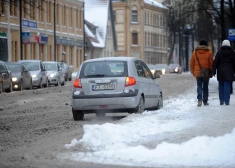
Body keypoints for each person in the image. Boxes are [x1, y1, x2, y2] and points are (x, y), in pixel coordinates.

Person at [190, 38, 213, 107]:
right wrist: (211, 72)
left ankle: (199, 100)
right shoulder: (209, 53)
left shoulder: (195, 52)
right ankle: (205, 101)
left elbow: (191, 63)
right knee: (205, 87)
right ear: (206, 45)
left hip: (198, 73)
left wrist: (193, 71)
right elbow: (211, 63)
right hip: (206, 73)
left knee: (199, 86)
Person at [212, 40, 235, 105]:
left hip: (220, 70)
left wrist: (213, 71)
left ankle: (221, 100)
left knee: (221, 85)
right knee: (227, 86)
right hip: (229, 70)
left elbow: (215, 62)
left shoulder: (219, 52)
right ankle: (227, 101)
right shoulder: (232, 52)